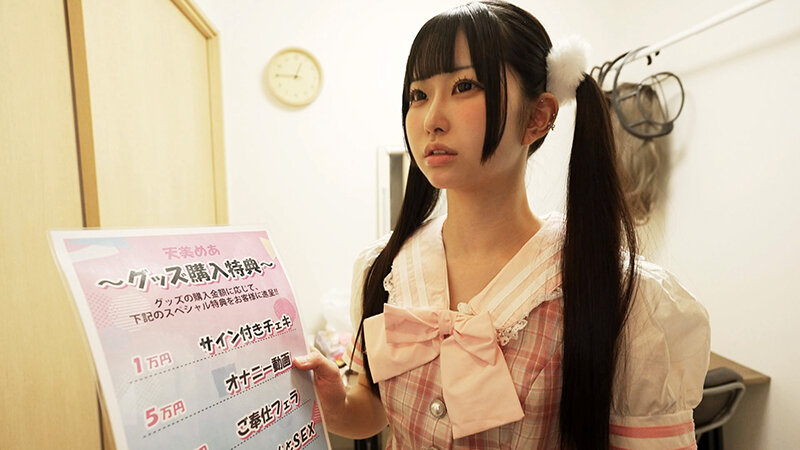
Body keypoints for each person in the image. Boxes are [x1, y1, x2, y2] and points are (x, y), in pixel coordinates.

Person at [294, 1, 710, 448]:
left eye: (464, 86)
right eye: (418, 95)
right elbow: (372, 408)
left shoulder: (620, 293)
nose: (431, 120)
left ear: (537, 117)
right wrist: (336, 404)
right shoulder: (384, 268)